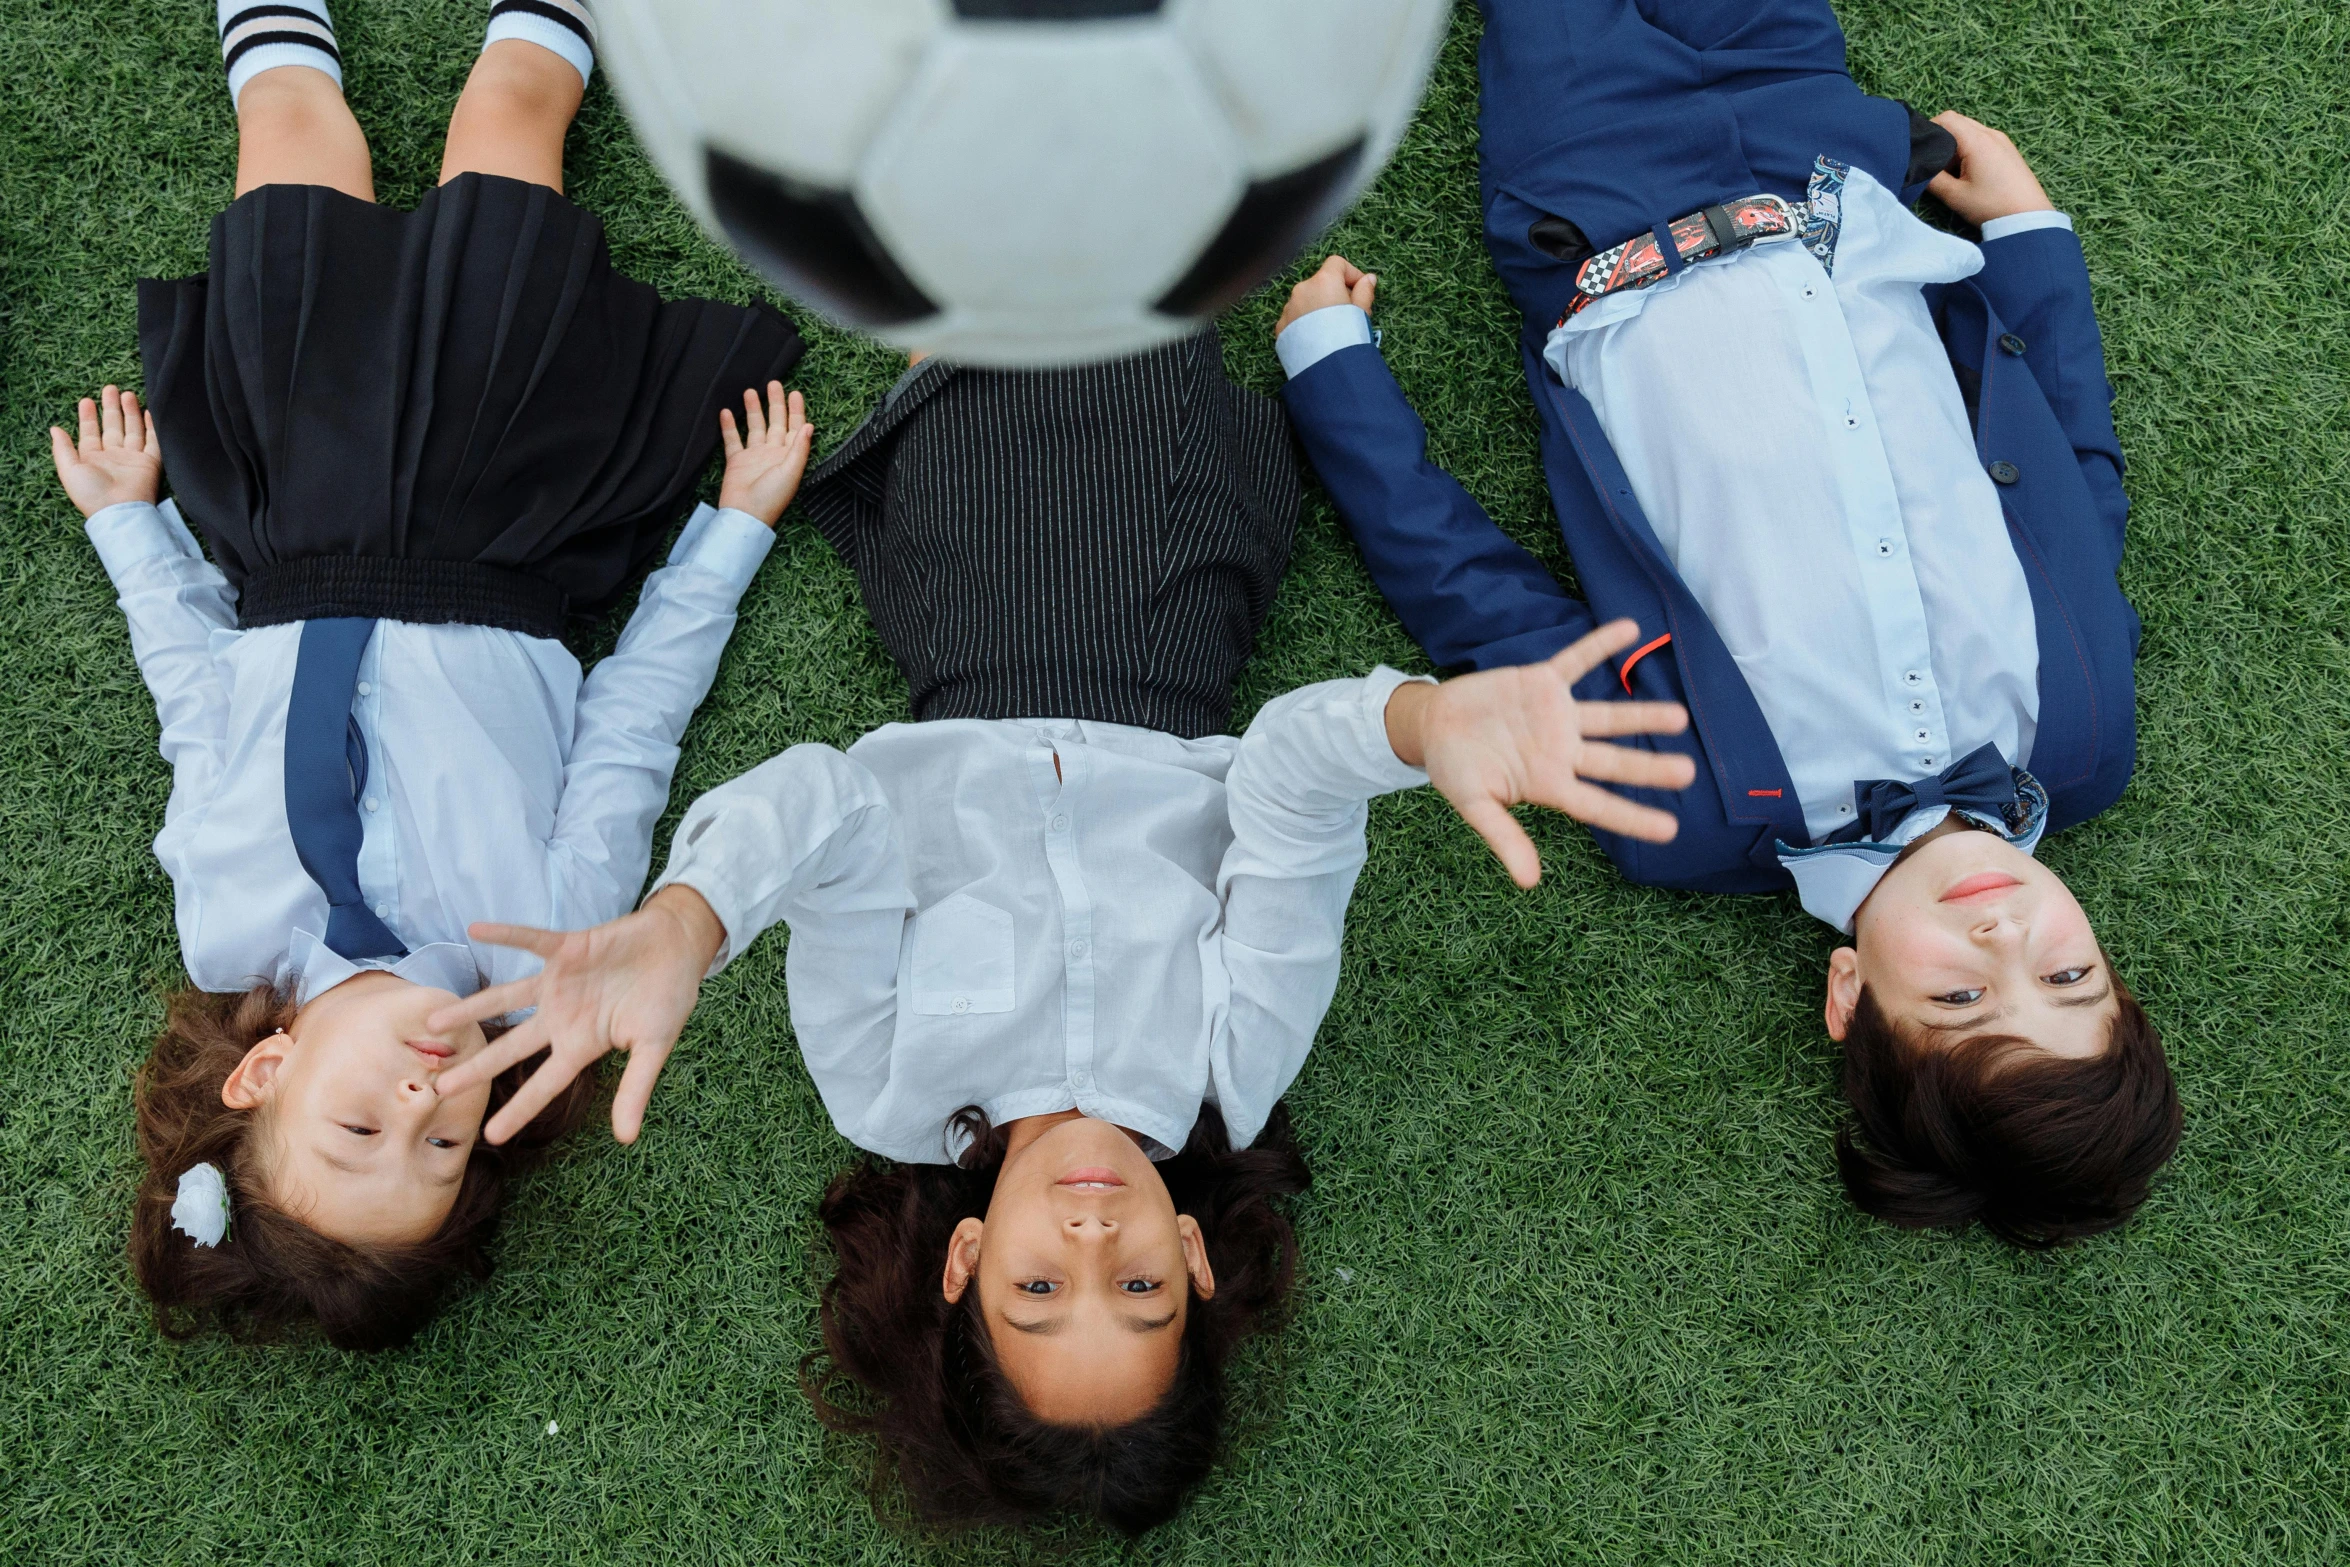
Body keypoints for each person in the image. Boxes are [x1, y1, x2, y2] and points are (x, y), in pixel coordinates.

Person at [425, 335, 1697, 1533]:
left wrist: (685, 921)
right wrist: (1422, 726)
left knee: (987, 322)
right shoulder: (1232, 1067)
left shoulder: (885, 1086)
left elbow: (837, 811)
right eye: (1138, 1292)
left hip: (967, 640)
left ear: (965, 1260)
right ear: (1193, 1257)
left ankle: (954, 357)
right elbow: (1286, 795)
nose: (1093, 1245)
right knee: (1130, 284)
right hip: (1166, 632)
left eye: (1038, 1292)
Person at [1273, 0, 2180, 1247]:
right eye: (2069, 975)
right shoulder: (2083, 739)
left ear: (1850, 996)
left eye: (1965, 993)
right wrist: (2028, 235)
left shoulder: (1690, 819)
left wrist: (1335, 377)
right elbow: (2081, 471)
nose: (2007, 929)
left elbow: (1478, 601)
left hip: (1599, 206)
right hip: (1824, 156)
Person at [49, 0, 806, 1350]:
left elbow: (200, 706)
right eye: (447, 1141)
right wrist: (731, 528)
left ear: (266, 1071)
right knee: (509, 125)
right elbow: (634, 719)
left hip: (300, 520)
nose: (424, 1093)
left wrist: (127, 522)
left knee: (286, 141)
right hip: (496, 521)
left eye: (360, 1126)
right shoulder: (545, 939)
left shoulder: (229, 924)